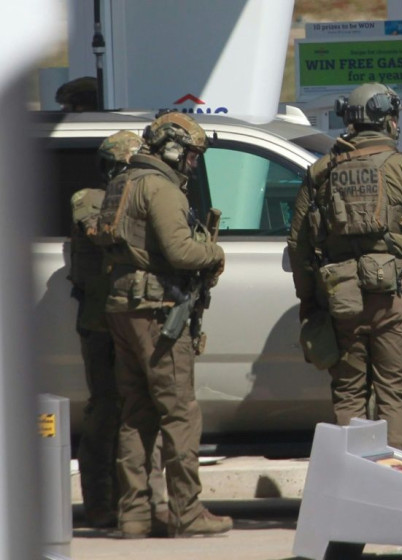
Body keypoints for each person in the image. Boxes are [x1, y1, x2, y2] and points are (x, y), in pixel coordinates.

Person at [287, 82, 402, 453]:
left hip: (340, 300)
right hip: (392, 299)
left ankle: (353, 479)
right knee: (395, 393)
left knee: (348, 394)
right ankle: (394, 485)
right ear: (388, 121)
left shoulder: (321, 172)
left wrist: (309, 301)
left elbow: (298, 245)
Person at [100, 111, 230, 538]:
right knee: (180, 414)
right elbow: (181, 253)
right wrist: (213, 253)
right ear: (172, 148)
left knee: (136, 414)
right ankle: (187, 514)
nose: (193, 163)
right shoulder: (161, 187)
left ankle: (134, 515)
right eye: (191, 154)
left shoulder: (123, 182)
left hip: (122, 308)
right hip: (158, 311)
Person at [70, 130, 169, 530]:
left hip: (129, 313)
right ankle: (99, 499)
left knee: (143, 409)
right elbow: (100, 231)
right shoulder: (89, 198)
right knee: (106, 410)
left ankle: (141, 501)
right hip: (100, 322)